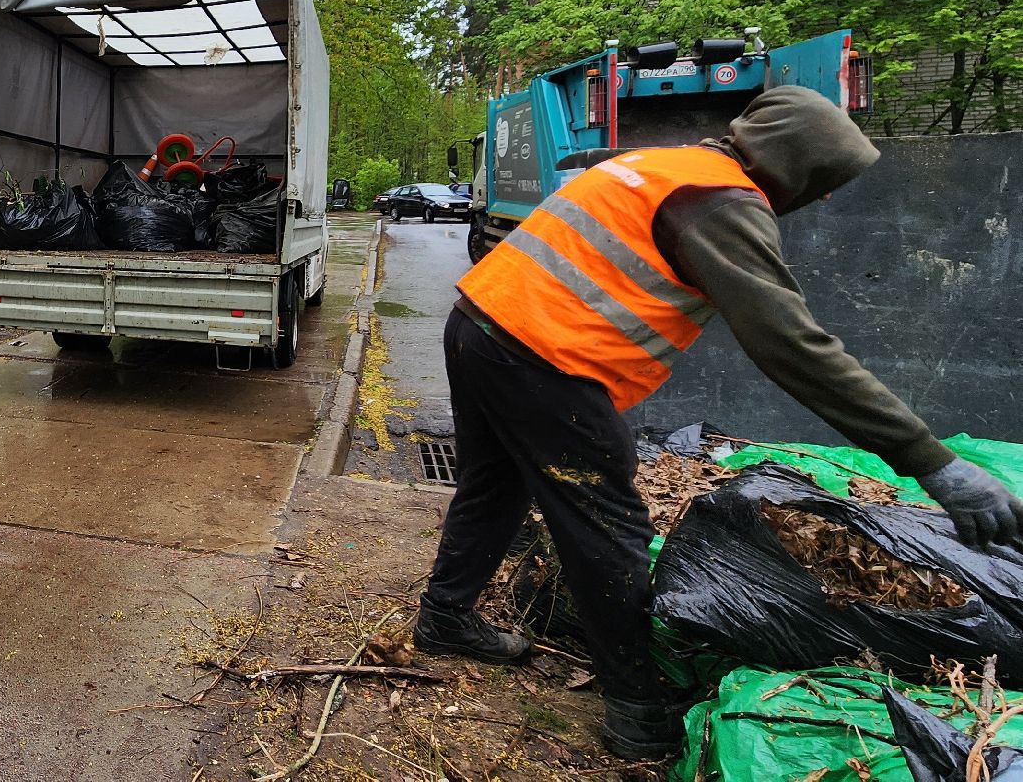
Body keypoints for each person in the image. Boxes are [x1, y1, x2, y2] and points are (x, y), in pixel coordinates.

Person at [410, 86, 1023, 760]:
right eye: (823, 182)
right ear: (794, 164)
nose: (821, 200)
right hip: (544, 359)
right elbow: (793, 345)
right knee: (607, 531)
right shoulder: (721, 202)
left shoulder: (669, 167)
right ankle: (636, 706)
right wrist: (931, 460)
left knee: (493, 487)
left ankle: (445, 616)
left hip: (479, 326)